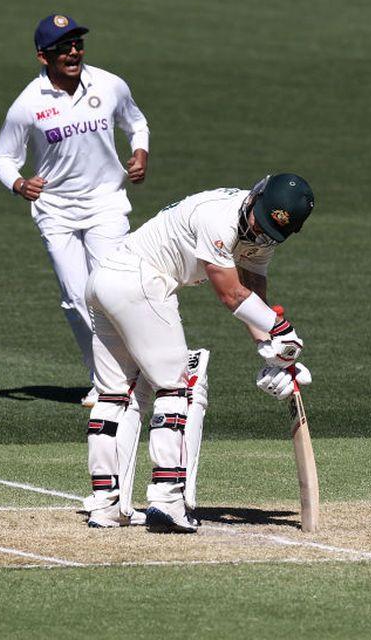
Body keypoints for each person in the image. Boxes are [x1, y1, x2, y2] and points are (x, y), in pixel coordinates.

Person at [83, 173, 316, 532]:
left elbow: (251, 287)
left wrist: (270, 352)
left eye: (272, 231)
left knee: (117, 392)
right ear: (257, 195)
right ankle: (168, 499)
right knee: (181, 384)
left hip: (107, 281)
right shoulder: (218, 216)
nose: (261, 232)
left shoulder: (263, 232)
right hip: (138, 279)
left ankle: (106, 504)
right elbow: (231, 294)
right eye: (262, 220)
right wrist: (282, 332)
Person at [0, 14, 150, 407]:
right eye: (64, 47)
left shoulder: (110, 84)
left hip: (105, 203)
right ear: (44, 56)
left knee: (114, 290)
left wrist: (140, 153)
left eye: (78, 44)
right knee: (77, 298)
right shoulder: (28, 104)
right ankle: (104, 379)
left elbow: (136, 122)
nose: (74, 52)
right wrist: (19, 184)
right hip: (56, 211)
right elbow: (2, 159)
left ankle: (137, 372)